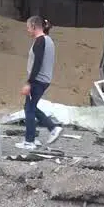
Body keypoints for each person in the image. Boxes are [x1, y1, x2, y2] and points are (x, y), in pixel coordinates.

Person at [18, 15, 63, 150]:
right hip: (43, 80)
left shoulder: (40, 41)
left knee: (29, 109)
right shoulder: (48, 40)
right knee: (32, 107)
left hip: (38, 80)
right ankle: (49, 129)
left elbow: (37, 64)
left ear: (33, 26)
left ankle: (30, 141)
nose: (27, 31)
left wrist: (29, 83)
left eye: (28, 27)